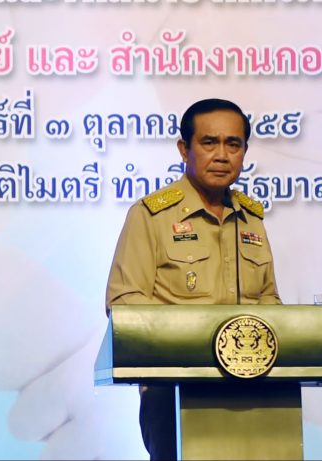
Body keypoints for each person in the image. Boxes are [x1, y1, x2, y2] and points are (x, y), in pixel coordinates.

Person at [105, 98, 282, 460]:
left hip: (253, 392)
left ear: (245, 152)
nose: (222, 155)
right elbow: (124, 305)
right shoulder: (151, 216)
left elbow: (269, 302)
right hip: (173, 392)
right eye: (209, 143)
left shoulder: (251, 219)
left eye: (233, 144)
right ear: (184, 149)